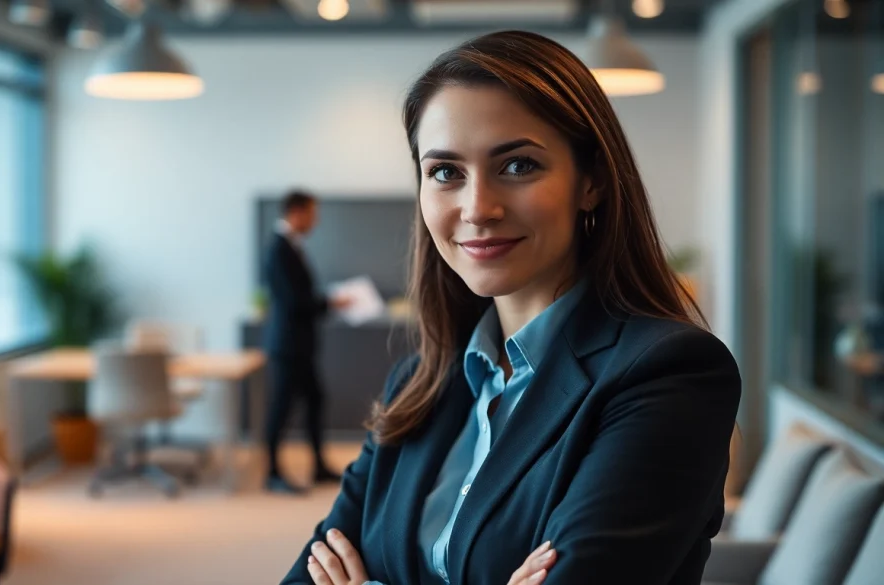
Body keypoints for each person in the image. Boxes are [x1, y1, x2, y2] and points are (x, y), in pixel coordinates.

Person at [281, 31, 740, 585]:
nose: (478, 208)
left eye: (518, 165)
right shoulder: (419, 383)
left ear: (590, 181)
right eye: (446, 172)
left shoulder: (669, 373)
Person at [264, 190, 351, 495]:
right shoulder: (279, 249)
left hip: (300, 344)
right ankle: (272, 473)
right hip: (288, 345)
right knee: (281, 408)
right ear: (296, 212)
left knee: (315, 401)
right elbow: (293, 301)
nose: (315, 221)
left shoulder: (292, 246)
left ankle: (318, 466)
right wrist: (330, 303)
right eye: (312, 214)